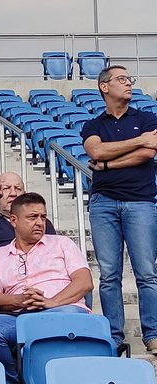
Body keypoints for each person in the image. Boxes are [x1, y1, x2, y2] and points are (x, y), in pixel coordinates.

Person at [0, 193, 93, 384]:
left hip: (62, 312)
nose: (40, 222)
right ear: (13, 220)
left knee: (70, 314)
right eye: (32, 217)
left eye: (43, 217)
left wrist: (50, 302)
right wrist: (18, 300)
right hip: (20, 317)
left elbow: (85, 282)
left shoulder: (62, 244)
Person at [81, 65, 157, 354]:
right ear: (104, 87)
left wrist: (109, 164)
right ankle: (114, 336)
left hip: (140, 203)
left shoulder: (147, 117)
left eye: (130, 79)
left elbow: (149, 153)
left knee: (147, 273)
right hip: (103, 204)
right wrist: (138, 141)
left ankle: (153, 333)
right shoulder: (93, 125)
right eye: (122, 79)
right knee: (109, 274)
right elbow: (96, 152)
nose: (128, 84)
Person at [0, 172, 55, 318]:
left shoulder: (41, 223)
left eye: (18, 189)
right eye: (7, 188)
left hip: (37, 272)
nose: (13, 193)